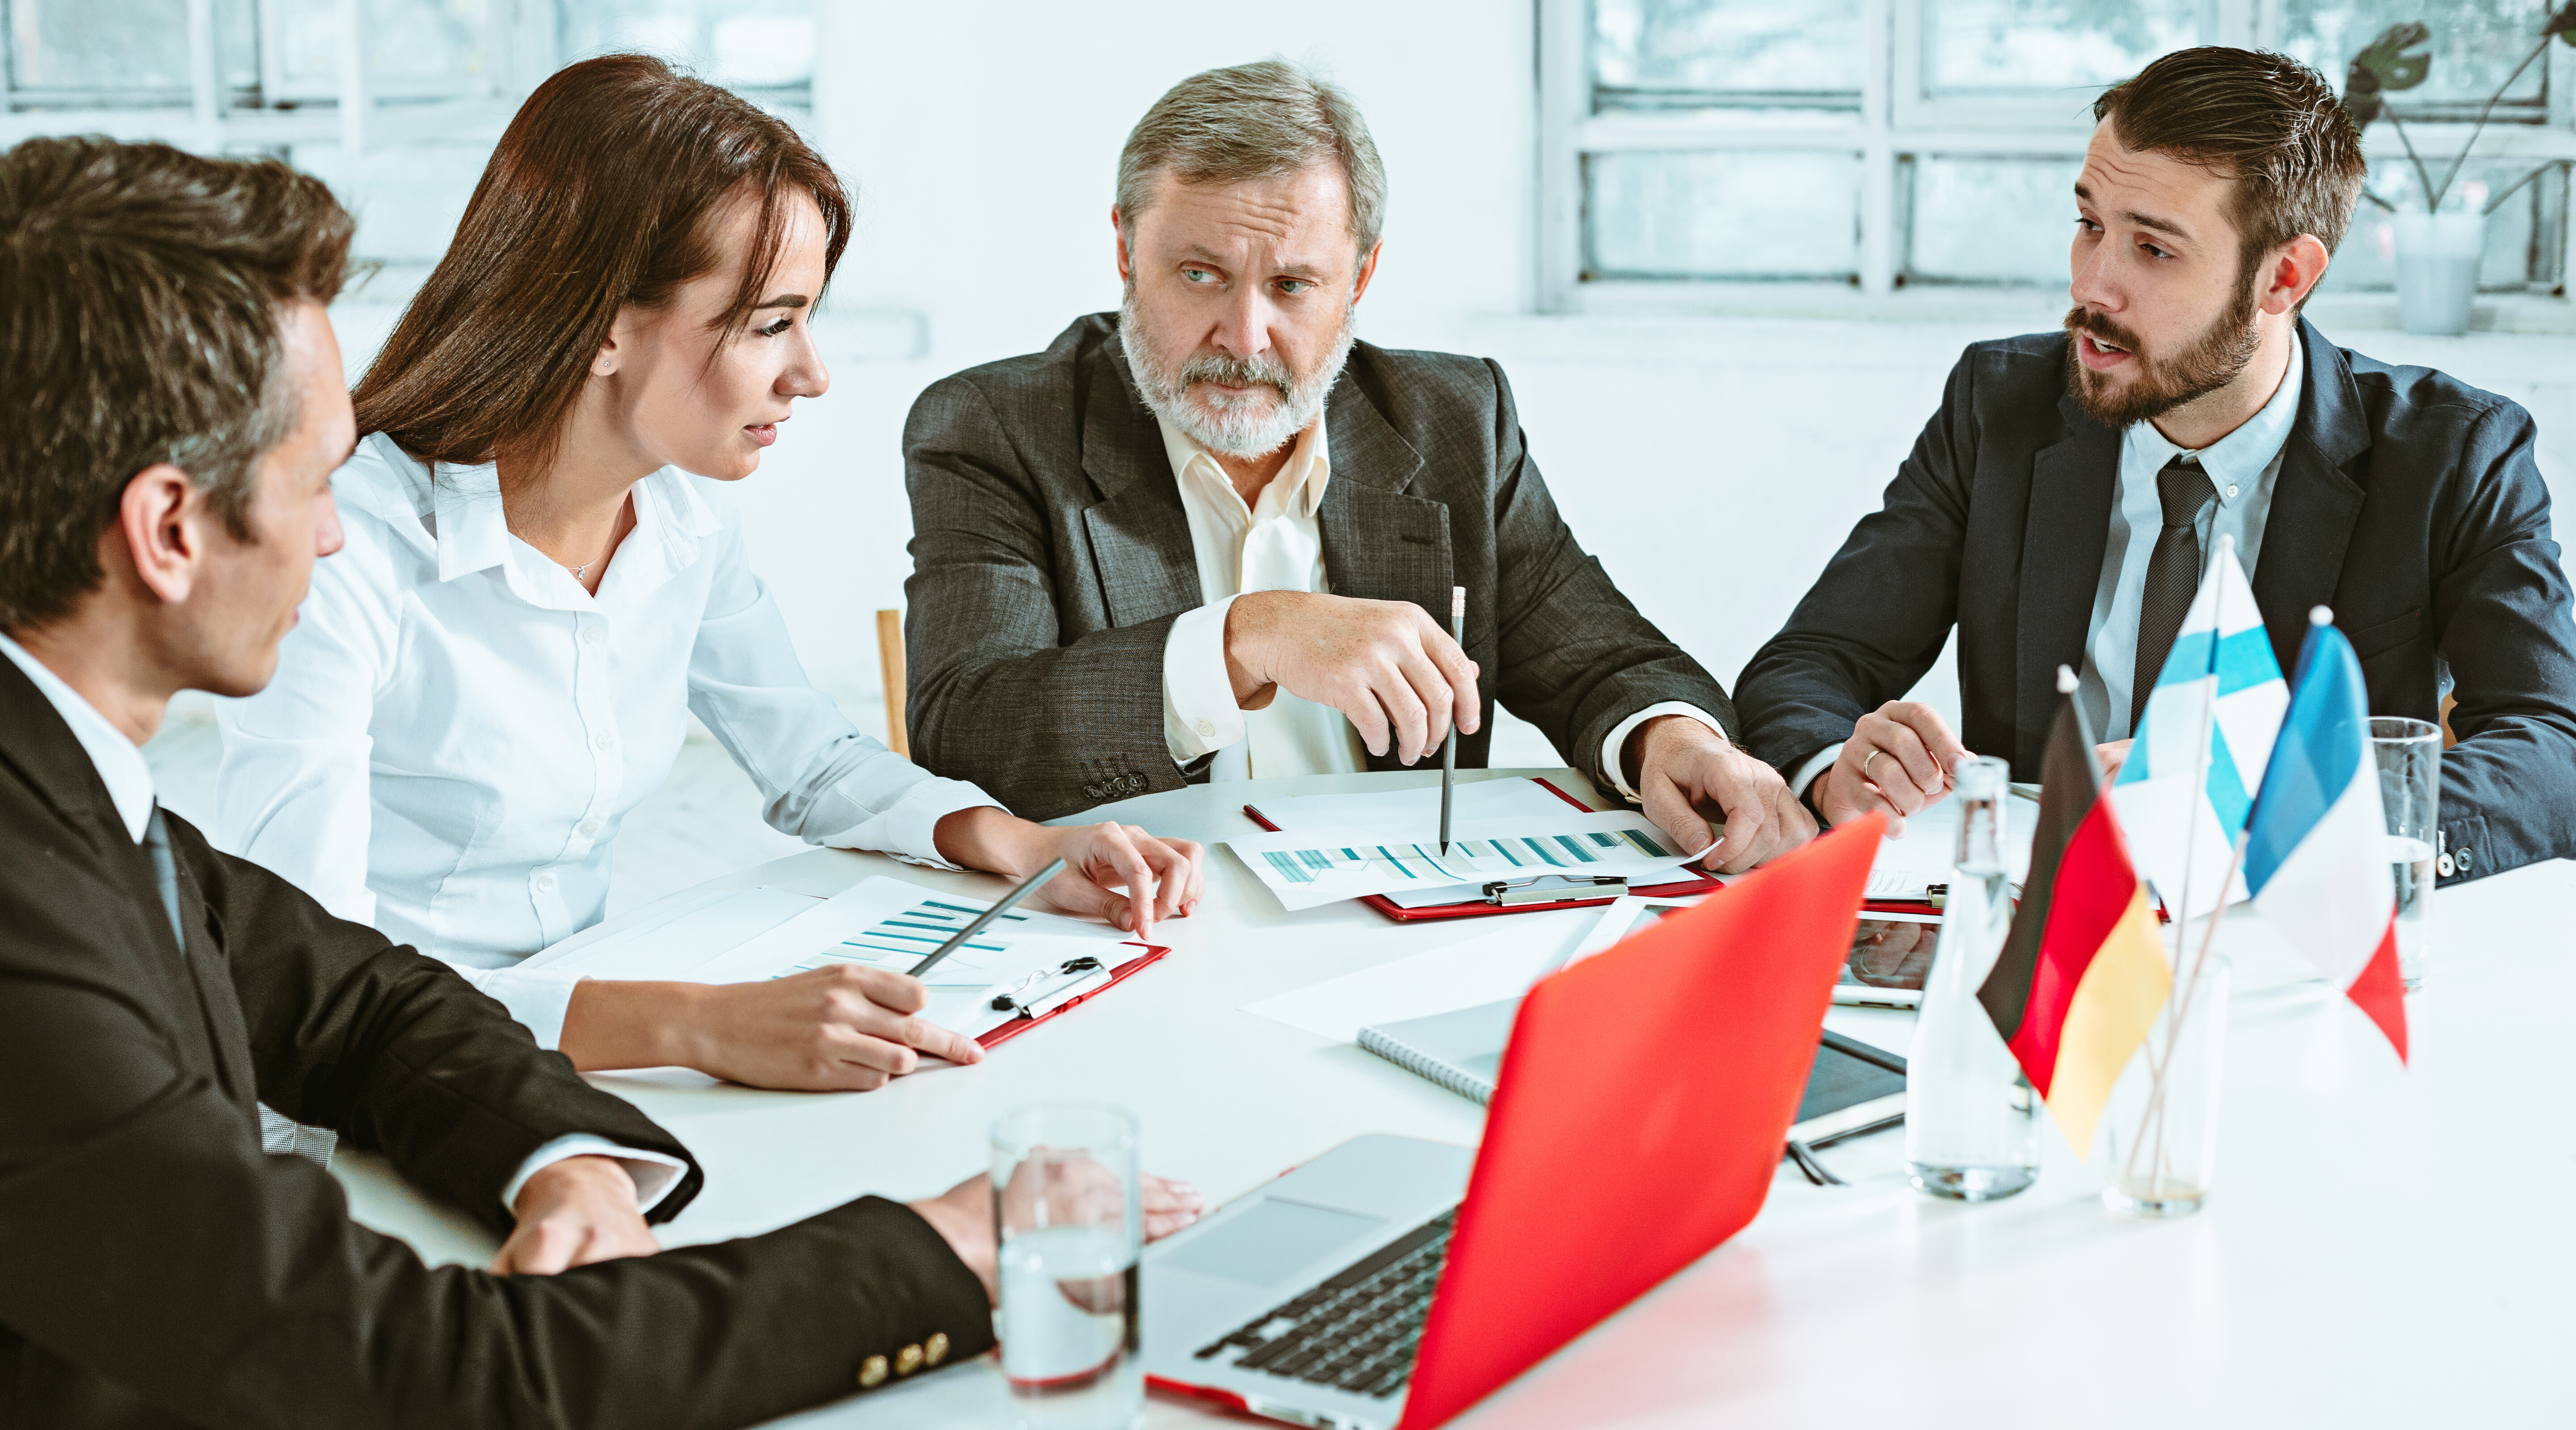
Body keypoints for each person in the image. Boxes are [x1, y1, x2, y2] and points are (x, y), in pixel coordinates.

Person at [0, 132, 1201, 1430]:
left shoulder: (77, 792)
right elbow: (422, 1367)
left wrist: (560, 1149)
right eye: (308, 482)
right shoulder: (31, 928)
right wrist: (946, 1253)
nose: (334, 525)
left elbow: (354, 993)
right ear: (171, 529)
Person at [215, 55, 1205, 1092]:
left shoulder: (682, 514)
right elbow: (312, 986)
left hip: (570, 1051)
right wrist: (695, 1028)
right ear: (602, 325)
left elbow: (813, 763)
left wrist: (1023, 845)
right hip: (367, 1094)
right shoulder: (344, 551)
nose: (812, 373)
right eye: (772, 323)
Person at [901, 59, 1813, 873]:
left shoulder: (1455, 420)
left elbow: (1600, 659)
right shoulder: (997, 426)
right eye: (1199, 275)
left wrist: (1670, 740)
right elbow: (970, 730)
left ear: (1361, 280)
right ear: (1126, 252)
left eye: (1293, 285)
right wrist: (1245, 638)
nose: (1244, 336)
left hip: (1385, 935)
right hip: (1136, 929)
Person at [1734, 46, 2576, 884]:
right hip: (2038, 937)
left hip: (2285, 936)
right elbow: (1809, 663)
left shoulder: (2453, 452)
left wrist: (2262, 804)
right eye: (2090, 224)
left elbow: (2552, 753)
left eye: (2155, 250)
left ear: (2283, 276)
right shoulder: (2000, 407)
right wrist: (1835, 760)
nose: (2094, 285)